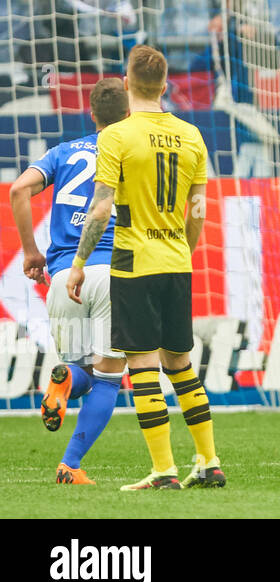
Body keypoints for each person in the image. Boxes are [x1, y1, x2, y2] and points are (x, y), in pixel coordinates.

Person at [66, 45, 221, 491]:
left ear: (128, 84)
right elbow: (197, 212)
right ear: (166, 85)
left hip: (134, 262)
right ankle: (209, 462)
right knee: (181, 363)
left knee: (143, 368)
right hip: (177, 261)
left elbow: (100, 210)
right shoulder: (192, 135)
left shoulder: (117, 135)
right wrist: (182, 251)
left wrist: (79, 264)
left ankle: (164, 470)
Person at [10, 79, 129, 484]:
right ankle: (70, 465)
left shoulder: (64, 152)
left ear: (91, 114)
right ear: (128, 115)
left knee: (80, 372)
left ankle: (61, 386)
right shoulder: (131, 153)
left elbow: (19, 189)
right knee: (110, 379)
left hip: (64, 276)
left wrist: (31, 252)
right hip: (113, 273)